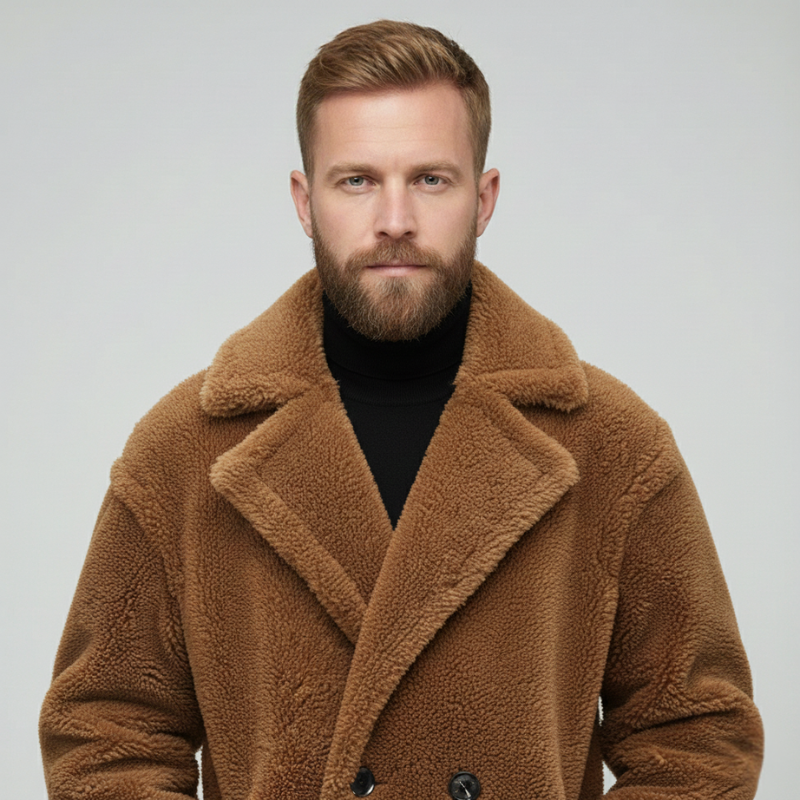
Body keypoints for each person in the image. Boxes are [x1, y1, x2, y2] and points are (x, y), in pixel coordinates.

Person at [40, 19, 763, 800]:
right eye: (356, 180)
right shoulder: (186, 449)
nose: (394, 220)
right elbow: (105, 733)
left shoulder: (611, 444)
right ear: (303, 199)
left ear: (483, 198)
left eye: (430, 179)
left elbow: (698, 737)